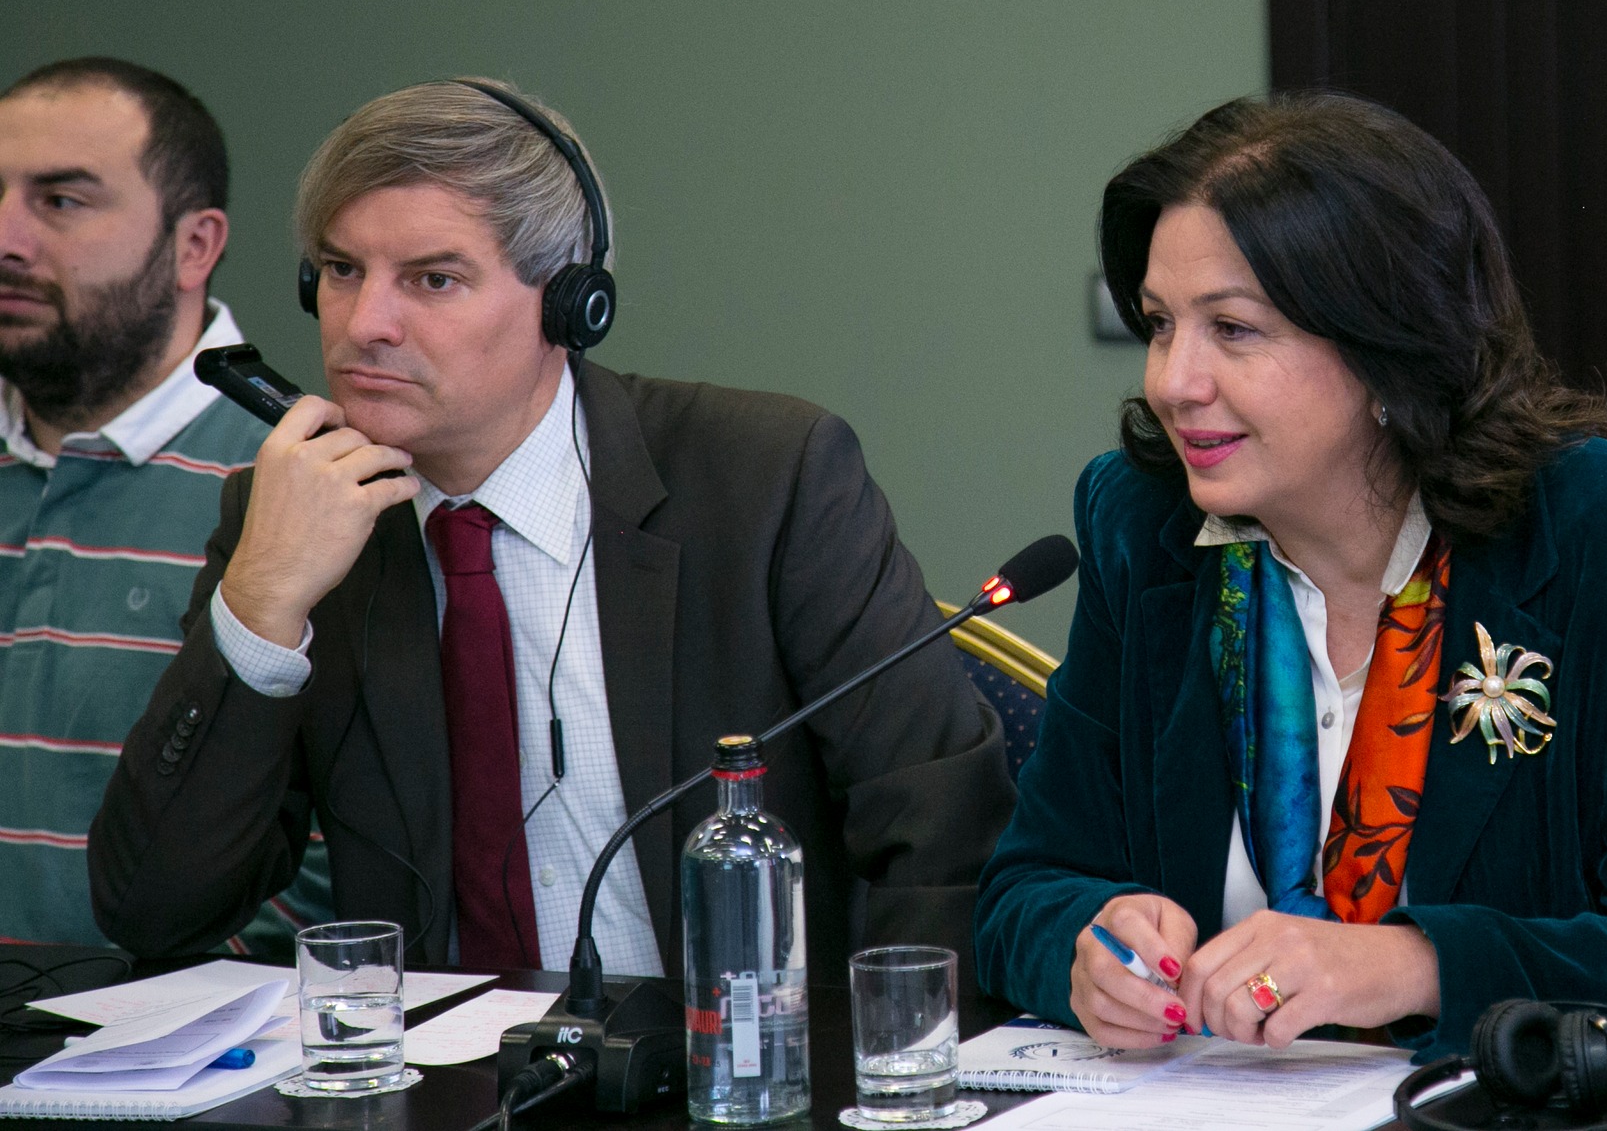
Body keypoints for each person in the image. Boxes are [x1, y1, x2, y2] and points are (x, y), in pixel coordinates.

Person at [89, 78, 1013, 983]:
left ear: (571, 306)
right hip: (440, 1069)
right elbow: (156, 909)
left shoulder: (768, 479)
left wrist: (875, 1054)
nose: (366, 324)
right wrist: (261, 604)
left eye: (434, 279)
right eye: (341, 271)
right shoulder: (292, 521)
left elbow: (943, 838)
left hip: (739, 1056)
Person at [975, 94, 1607, 1062]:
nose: (1171, 381)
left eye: (1232, 329)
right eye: (1160, 324)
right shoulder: (1143, 528)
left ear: (1384, 344)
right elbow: (1024, 889)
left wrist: (1414, 965)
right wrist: (1086, 948)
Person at [0, 57, 329, 953]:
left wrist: (161, 1010)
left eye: (61, 200)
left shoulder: (304, 483)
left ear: (194, 246)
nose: (8, 238)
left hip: (189, 1038)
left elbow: (350, 861)